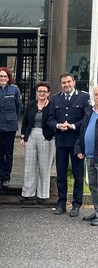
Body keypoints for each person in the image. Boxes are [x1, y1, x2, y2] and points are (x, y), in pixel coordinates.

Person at [47, 72, 90, 216]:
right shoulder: (56, 98)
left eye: (69, 82)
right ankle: (61, 202)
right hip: (61, 142)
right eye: (64, 83)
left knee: (78, 175)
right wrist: (58, 125)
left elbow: (86, 119)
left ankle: (76, 204)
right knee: (61, 173)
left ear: (74, 82)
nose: (66, 85)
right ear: (61, 84)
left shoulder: (84, 97)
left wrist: (72, 126)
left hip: (77, 142)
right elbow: (50, 119)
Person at [20, 82, 55, 203]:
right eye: (39, 91)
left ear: (48, 93)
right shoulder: (30, 104)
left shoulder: (52, 106)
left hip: (45, 136)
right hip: (31, 135)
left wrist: (50, 135)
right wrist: (23, 136)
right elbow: (25, 120)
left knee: (44, 166)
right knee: (29, 165)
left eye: (44, 91)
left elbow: (54, 121)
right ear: (37, 92)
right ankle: (27, 193)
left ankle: (42, 194)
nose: (41, 93)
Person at [0, 67, 22, 188]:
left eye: (5, 76)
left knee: (9, 153)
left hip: (10, 126)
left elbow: (19, 107)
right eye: (0, 76)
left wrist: (13, 118)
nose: (3, 78)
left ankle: (7, 177)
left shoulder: (14, 90)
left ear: (8, 78)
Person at [74, 85, 98, 225]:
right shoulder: (89, 112)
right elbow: (82, 132)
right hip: (89, 156)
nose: (97, 96)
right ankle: (96, 210)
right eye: (96, 94)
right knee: (93, 186)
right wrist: (79, 148)